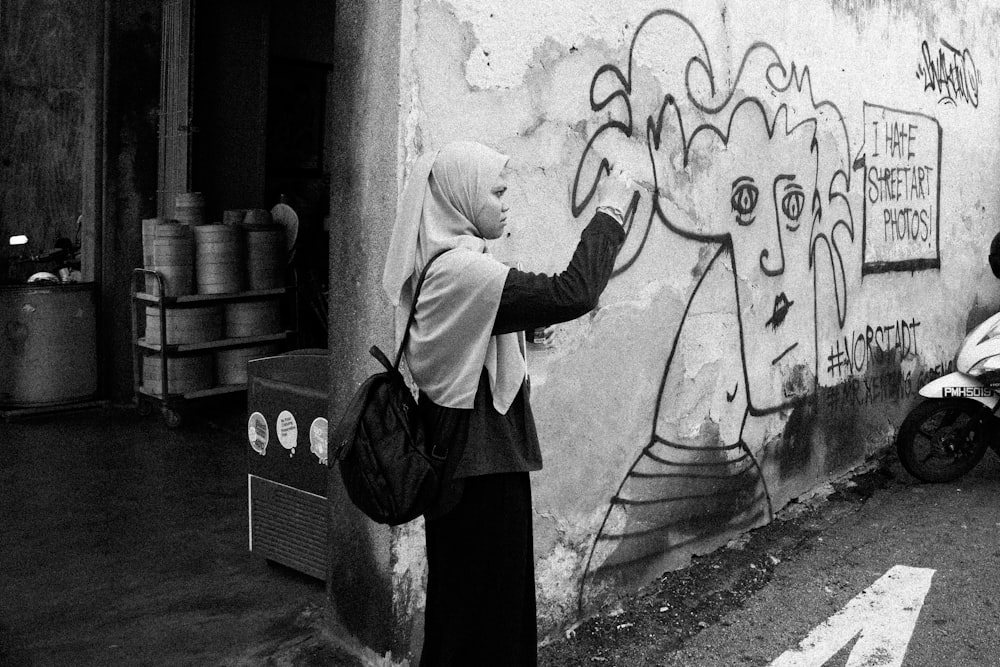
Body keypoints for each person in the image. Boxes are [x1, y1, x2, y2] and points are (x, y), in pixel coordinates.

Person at [382, 140, 631, 666]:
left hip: (465, 460)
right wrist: (609, 210)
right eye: (495, 191)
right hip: (479, 466)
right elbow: (574, 292)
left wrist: (519, 329)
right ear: (462, 197)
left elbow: (474, 332)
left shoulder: (455, 261)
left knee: (467, 610)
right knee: (488, 616)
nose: (504, 203)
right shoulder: (461, 271)